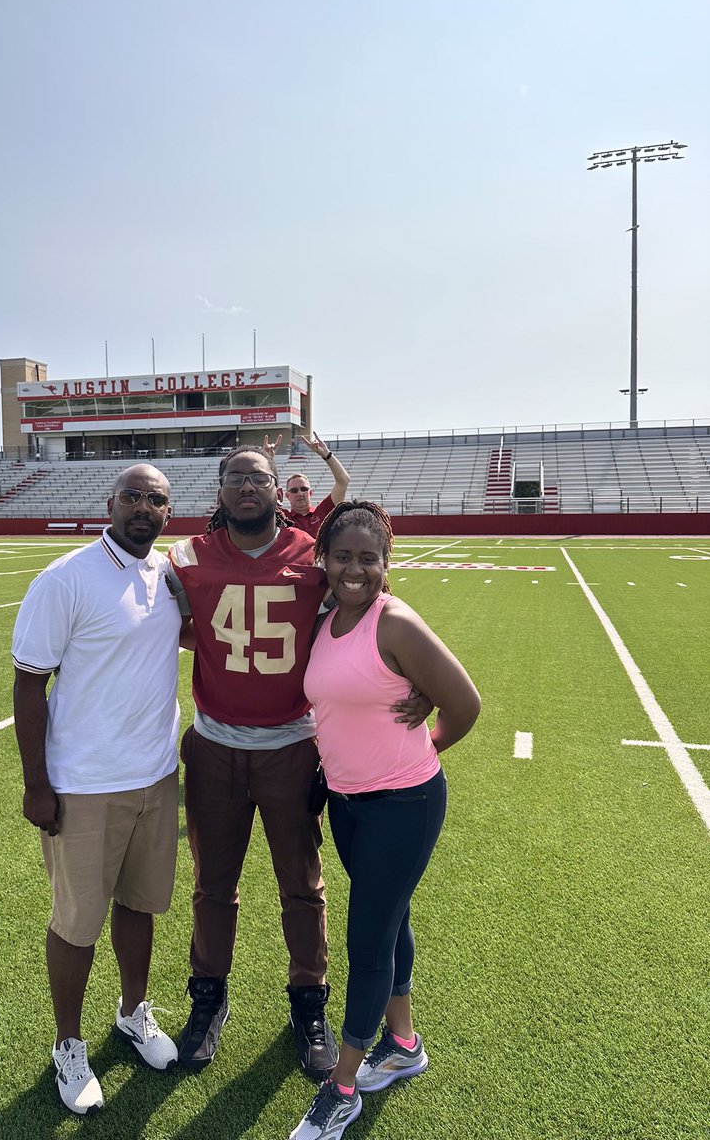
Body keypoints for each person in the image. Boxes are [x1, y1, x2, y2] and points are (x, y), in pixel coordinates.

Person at [166, 449, 430, 1081]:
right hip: (215, 745)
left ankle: (309, 1004)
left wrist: (415, 681)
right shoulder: (187, 558)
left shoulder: (312, 557)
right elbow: (160, 622)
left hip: (290, 747)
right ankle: (208, 999)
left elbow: (371, 606)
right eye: (236, 478)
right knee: (212, 885)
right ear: (220, 491)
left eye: (259, 478)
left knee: (302, 886)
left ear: (276, 491)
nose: (247, 487)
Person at [289, 500, 481, 1140]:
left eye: (368, 559)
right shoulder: (326, 620)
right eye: (342, 556)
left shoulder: (394, 622)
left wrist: (420, 750)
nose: (355, 570)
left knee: (368, 943)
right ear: (324, 559)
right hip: (347, 804)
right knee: (390, 921)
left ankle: (341, 1089)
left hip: (404, 806)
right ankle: (402, 1044)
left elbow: (465, 704)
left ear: (385, 562)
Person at [12, 465, 182, 1116]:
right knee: (77, 922)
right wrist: (37, 784)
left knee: (140, 905)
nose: (143, 507)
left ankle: (133, 1012)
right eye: (132, 496)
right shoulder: (66, 578)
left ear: (168, 512)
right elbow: (29, 684)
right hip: (84, 784)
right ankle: (68, 1045)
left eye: (155, 499)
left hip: (155, 776)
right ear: (110, 503)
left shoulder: (168, 575)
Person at [264, 431, 351, 537]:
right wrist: (266, 460)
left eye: (304, 489)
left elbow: (344, 481)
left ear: (310, 493)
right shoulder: (281, 516)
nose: (300, 493)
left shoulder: (324, 511)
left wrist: (327, 454)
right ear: (287, 495)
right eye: (294, 490)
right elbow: (260, 494)